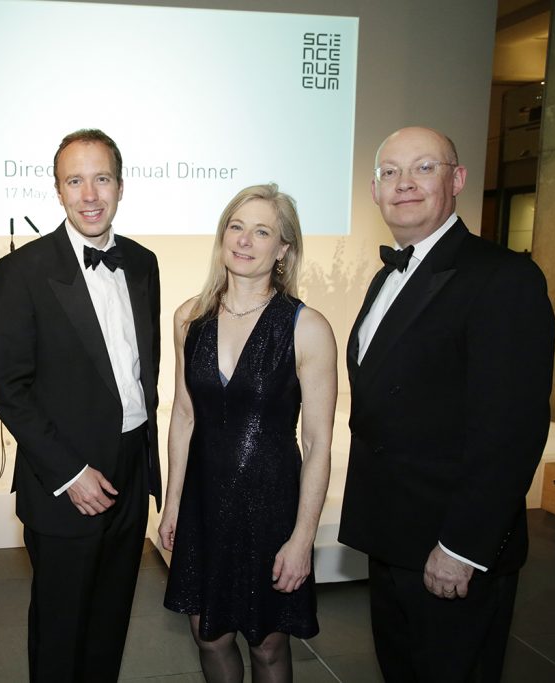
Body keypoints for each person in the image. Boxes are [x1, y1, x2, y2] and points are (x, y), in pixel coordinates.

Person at [339, 126, 555, 681]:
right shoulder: (388, 276)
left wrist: (462, 547)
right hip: (392, 537)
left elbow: (510, 431)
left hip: (450, 547)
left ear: (457, 179)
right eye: (390, 172)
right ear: (374, 190)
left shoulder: (503, 277)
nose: (404, 184)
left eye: (423, 168)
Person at [0, 129, 161, 682]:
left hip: (131, 471)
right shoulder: (22, 271)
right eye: (75, 181)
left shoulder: (143, 263)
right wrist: (69, 472)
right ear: (58, 189)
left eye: (102, 179)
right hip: (64, 481)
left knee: (110, 625)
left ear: (121, 186)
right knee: (61, 636)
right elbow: (8, 386)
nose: (90, 195)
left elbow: (143, 374)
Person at [159, 184, 336, 682]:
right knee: (208, 636)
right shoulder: (189, 319)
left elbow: (318, 444)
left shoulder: (307, 327)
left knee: (268, 646)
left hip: (271, 510)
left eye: (261, 232)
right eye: (236, 227)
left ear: (283, 250)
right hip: (203, 505)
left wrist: (302, 538)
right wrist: (172, 504)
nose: (244, 240)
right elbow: (184, 416)